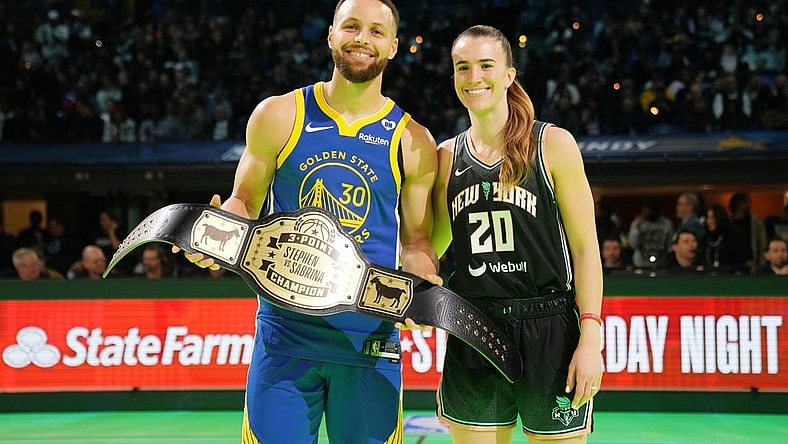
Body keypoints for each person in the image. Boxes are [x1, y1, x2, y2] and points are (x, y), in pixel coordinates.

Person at [175, 1, 439, 442]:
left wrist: (423, 279)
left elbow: (416, 240)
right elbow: (245, 202)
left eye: (376, 32)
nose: (362, 39)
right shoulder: (279, 115)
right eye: (351, 26)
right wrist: (217, 232)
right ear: (331, 34)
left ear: (393, 47)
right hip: (285, 336)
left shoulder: (413, 140)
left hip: (368, 339)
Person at [431, 25, 602, 443]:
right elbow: (430, 250)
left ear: (509, 74)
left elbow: (584, 249)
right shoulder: (445, 158)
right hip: (473, 326)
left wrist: (591, 336)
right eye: (463, 68)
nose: (474, 78)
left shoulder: (553, 145)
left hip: (549, 328)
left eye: (486, 65)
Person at [628, 197, 674, 269]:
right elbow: (632, 244)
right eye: (644, 209)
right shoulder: (637, 223)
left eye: (648, 209)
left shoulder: (667, 224)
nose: (645, 211)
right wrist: (637, 228)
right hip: (640, 264)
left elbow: (669, 245)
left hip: (661, 264)